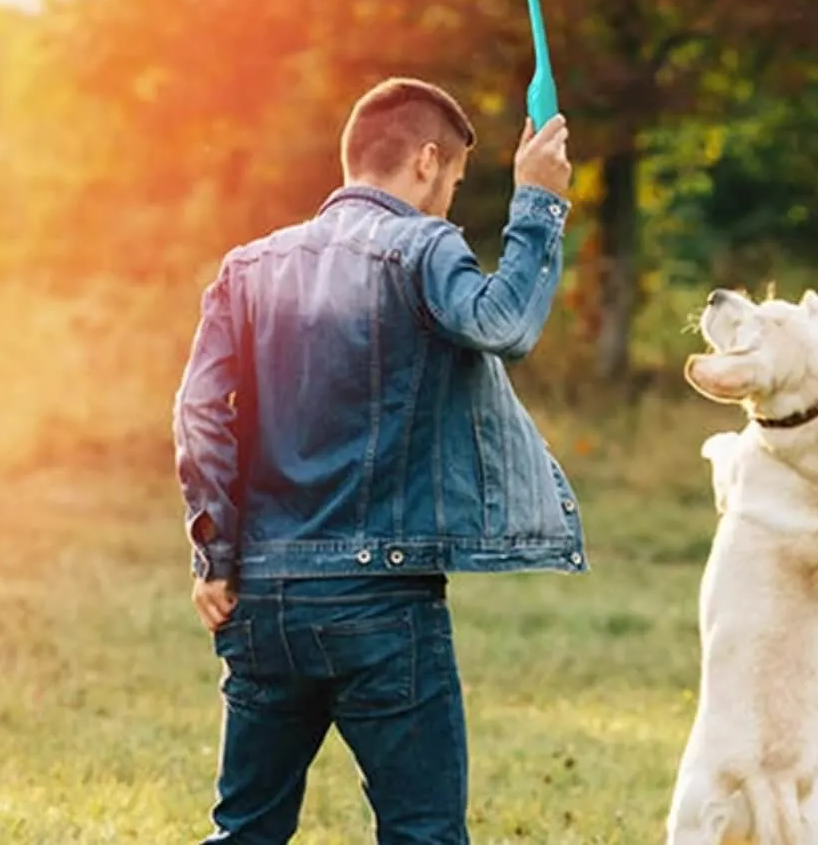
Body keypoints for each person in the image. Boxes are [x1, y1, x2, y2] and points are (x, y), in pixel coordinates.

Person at [172, 76, 586, 845]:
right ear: (427, 162)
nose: (450, 203)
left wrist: (216, 556)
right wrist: (537, 203)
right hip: (381, 605)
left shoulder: (248, 266)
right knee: (423, 833)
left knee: (245, 832)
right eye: (457, 183)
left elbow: (200, 415)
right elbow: (505, 325)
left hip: (262, 600)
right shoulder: (422, 247)